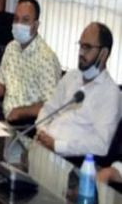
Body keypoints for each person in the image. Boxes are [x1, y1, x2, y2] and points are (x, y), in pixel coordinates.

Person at [35, 23, 121, 157]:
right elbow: (48, 109)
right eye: (80, 46)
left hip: (70, 160)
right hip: (42, 146)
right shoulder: (71, 77)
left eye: (87, 47)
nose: (81, 53)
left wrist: (57, 145)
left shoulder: (111, 94)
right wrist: (42, 132)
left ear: (103, 53)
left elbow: (100, 144)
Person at [0, 0, 61, 123]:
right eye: (16, 19)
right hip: (6, 122)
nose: (19, 24)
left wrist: (22, 111)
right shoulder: (11, 48)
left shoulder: (47, 58)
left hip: (29, 126)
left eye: (25, 20)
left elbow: (52, 106)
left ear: (36, 25)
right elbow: (2, 85)